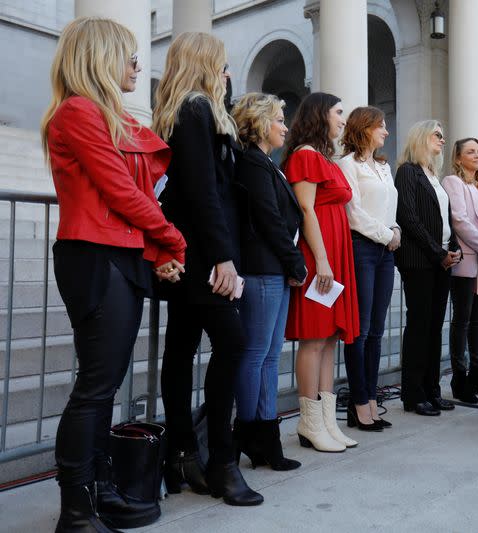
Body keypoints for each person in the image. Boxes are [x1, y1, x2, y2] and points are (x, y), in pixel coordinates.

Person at [43, 17, 187, 531]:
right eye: (128, 57)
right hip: (93, 256)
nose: (136, 65)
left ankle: (100, 492)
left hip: (112, 256)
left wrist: (154, 249)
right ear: (101, 59)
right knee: (96, 387)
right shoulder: (78, 112)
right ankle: (76, 512)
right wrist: (172, 238)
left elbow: (129, 199)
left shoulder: (95, 115)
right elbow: (121, 194)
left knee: (102, 385)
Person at [153, 32, 262, 506]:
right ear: (203, 65)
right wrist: (223, 258)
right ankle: (220, 460)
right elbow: (202, 191)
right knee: (232, 343)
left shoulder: (196, 111)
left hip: (194, 252)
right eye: (221, 65)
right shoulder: (194, 110)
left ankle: (181, 454)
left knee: (180, 349)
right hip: (199, 254)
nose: (228, 73)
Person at [230, 93, 305, 470]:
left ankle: (265, 437)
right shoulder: (253, 164)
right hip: (262, 269)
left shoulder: (265, 163)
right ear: (261, 123)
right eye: (279, 119)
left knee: (270, 356)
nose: (285, 126)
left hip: (273, 268)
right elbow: (268, 219)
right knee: (257, 355)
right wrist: (295, 262)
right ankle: (249, 430)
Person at [282, 92, 360, 452]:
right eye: (339, 112)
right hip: (319, 256)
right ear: (321, 115)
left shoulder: (325, 157)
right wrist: (324, 261)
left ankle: (327, 420)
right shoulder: (305, 156)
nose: (343, 118)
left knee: (329, 338)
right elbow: (306, 209)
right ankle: (309, 422)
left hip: (334, 252)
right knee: (314, 338)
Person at [337, 106, 399, 431]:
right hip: (362, 248)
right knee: (358, 331)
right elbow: (353, 213)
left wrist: (396, 230)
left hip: (386, 251)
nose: (386, 132)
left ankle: (372, 399)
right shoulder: (347, 165)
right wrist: (388, 234)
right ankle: (358, 402)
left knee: (376, 330)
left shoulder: (383, 167)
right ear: (364, 128)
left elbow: (390, 207)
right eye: (381, 126)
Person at [395, 120, 462, 416]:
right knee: (420, 325)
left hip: (441, 261)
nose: (442, 140)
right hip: (420, 261)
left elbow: (445, 219)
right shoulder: (408, 172)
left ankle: (433, 390)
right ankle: (413, 393)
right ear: (421, 137)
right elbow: (408, 217)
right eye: (437, 135)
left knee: (435, 327)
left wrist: (454, 248)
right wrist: (438, 253)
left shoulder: (436, 175)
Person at [441, 138, 478, 403]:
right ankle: (459, 376)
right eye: (470, 151)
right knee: (462, 319)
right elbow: (459, 220)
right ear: (459, 157)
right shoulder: (453, 182)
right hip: (468, 257)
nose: (477, 155)